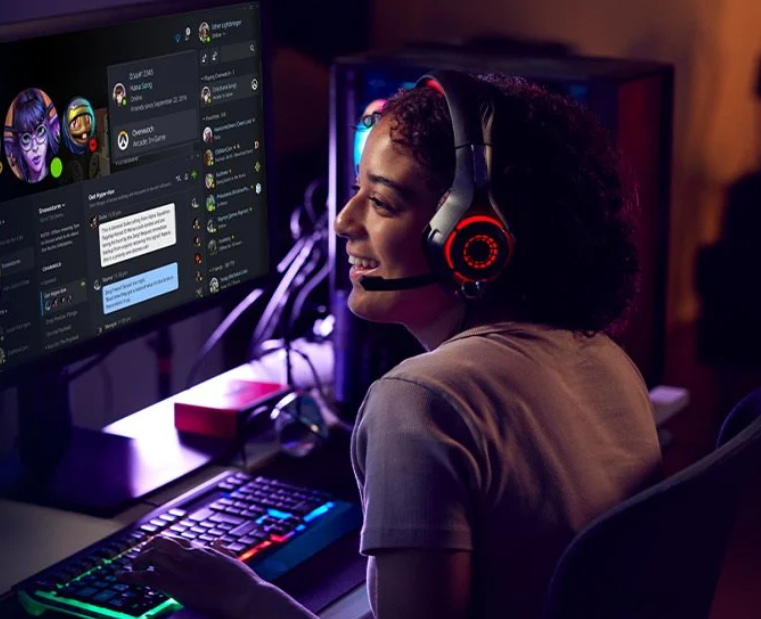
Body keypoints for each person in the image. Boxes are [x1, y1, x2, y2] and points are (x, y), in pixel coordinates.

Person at [119, 74, 660, 619]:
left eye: (380, 201)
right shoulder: (606, 359)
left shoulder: (420, 401)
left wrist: (239, 596)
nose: (343, 221)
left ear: (473, 242)